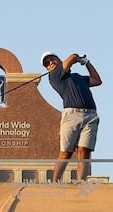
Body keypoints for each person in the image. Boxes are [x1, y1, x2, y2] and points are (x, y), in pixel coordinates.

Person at [43, 51, 102, 182]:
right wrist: (79, 59)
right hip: (71, 115)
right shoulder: (54, 76)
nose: (51, 62)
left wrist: (87, 63)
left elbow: (97, 80)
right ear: (47, 69)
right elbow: (73, 57)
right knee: (65, 153)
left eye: (53, 59)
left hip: (90, 115)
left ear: (58, 59)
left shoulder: (78, 77)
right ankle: (55, 182)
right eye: (47, 63)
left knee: (84, 152)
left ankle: (81, 183)